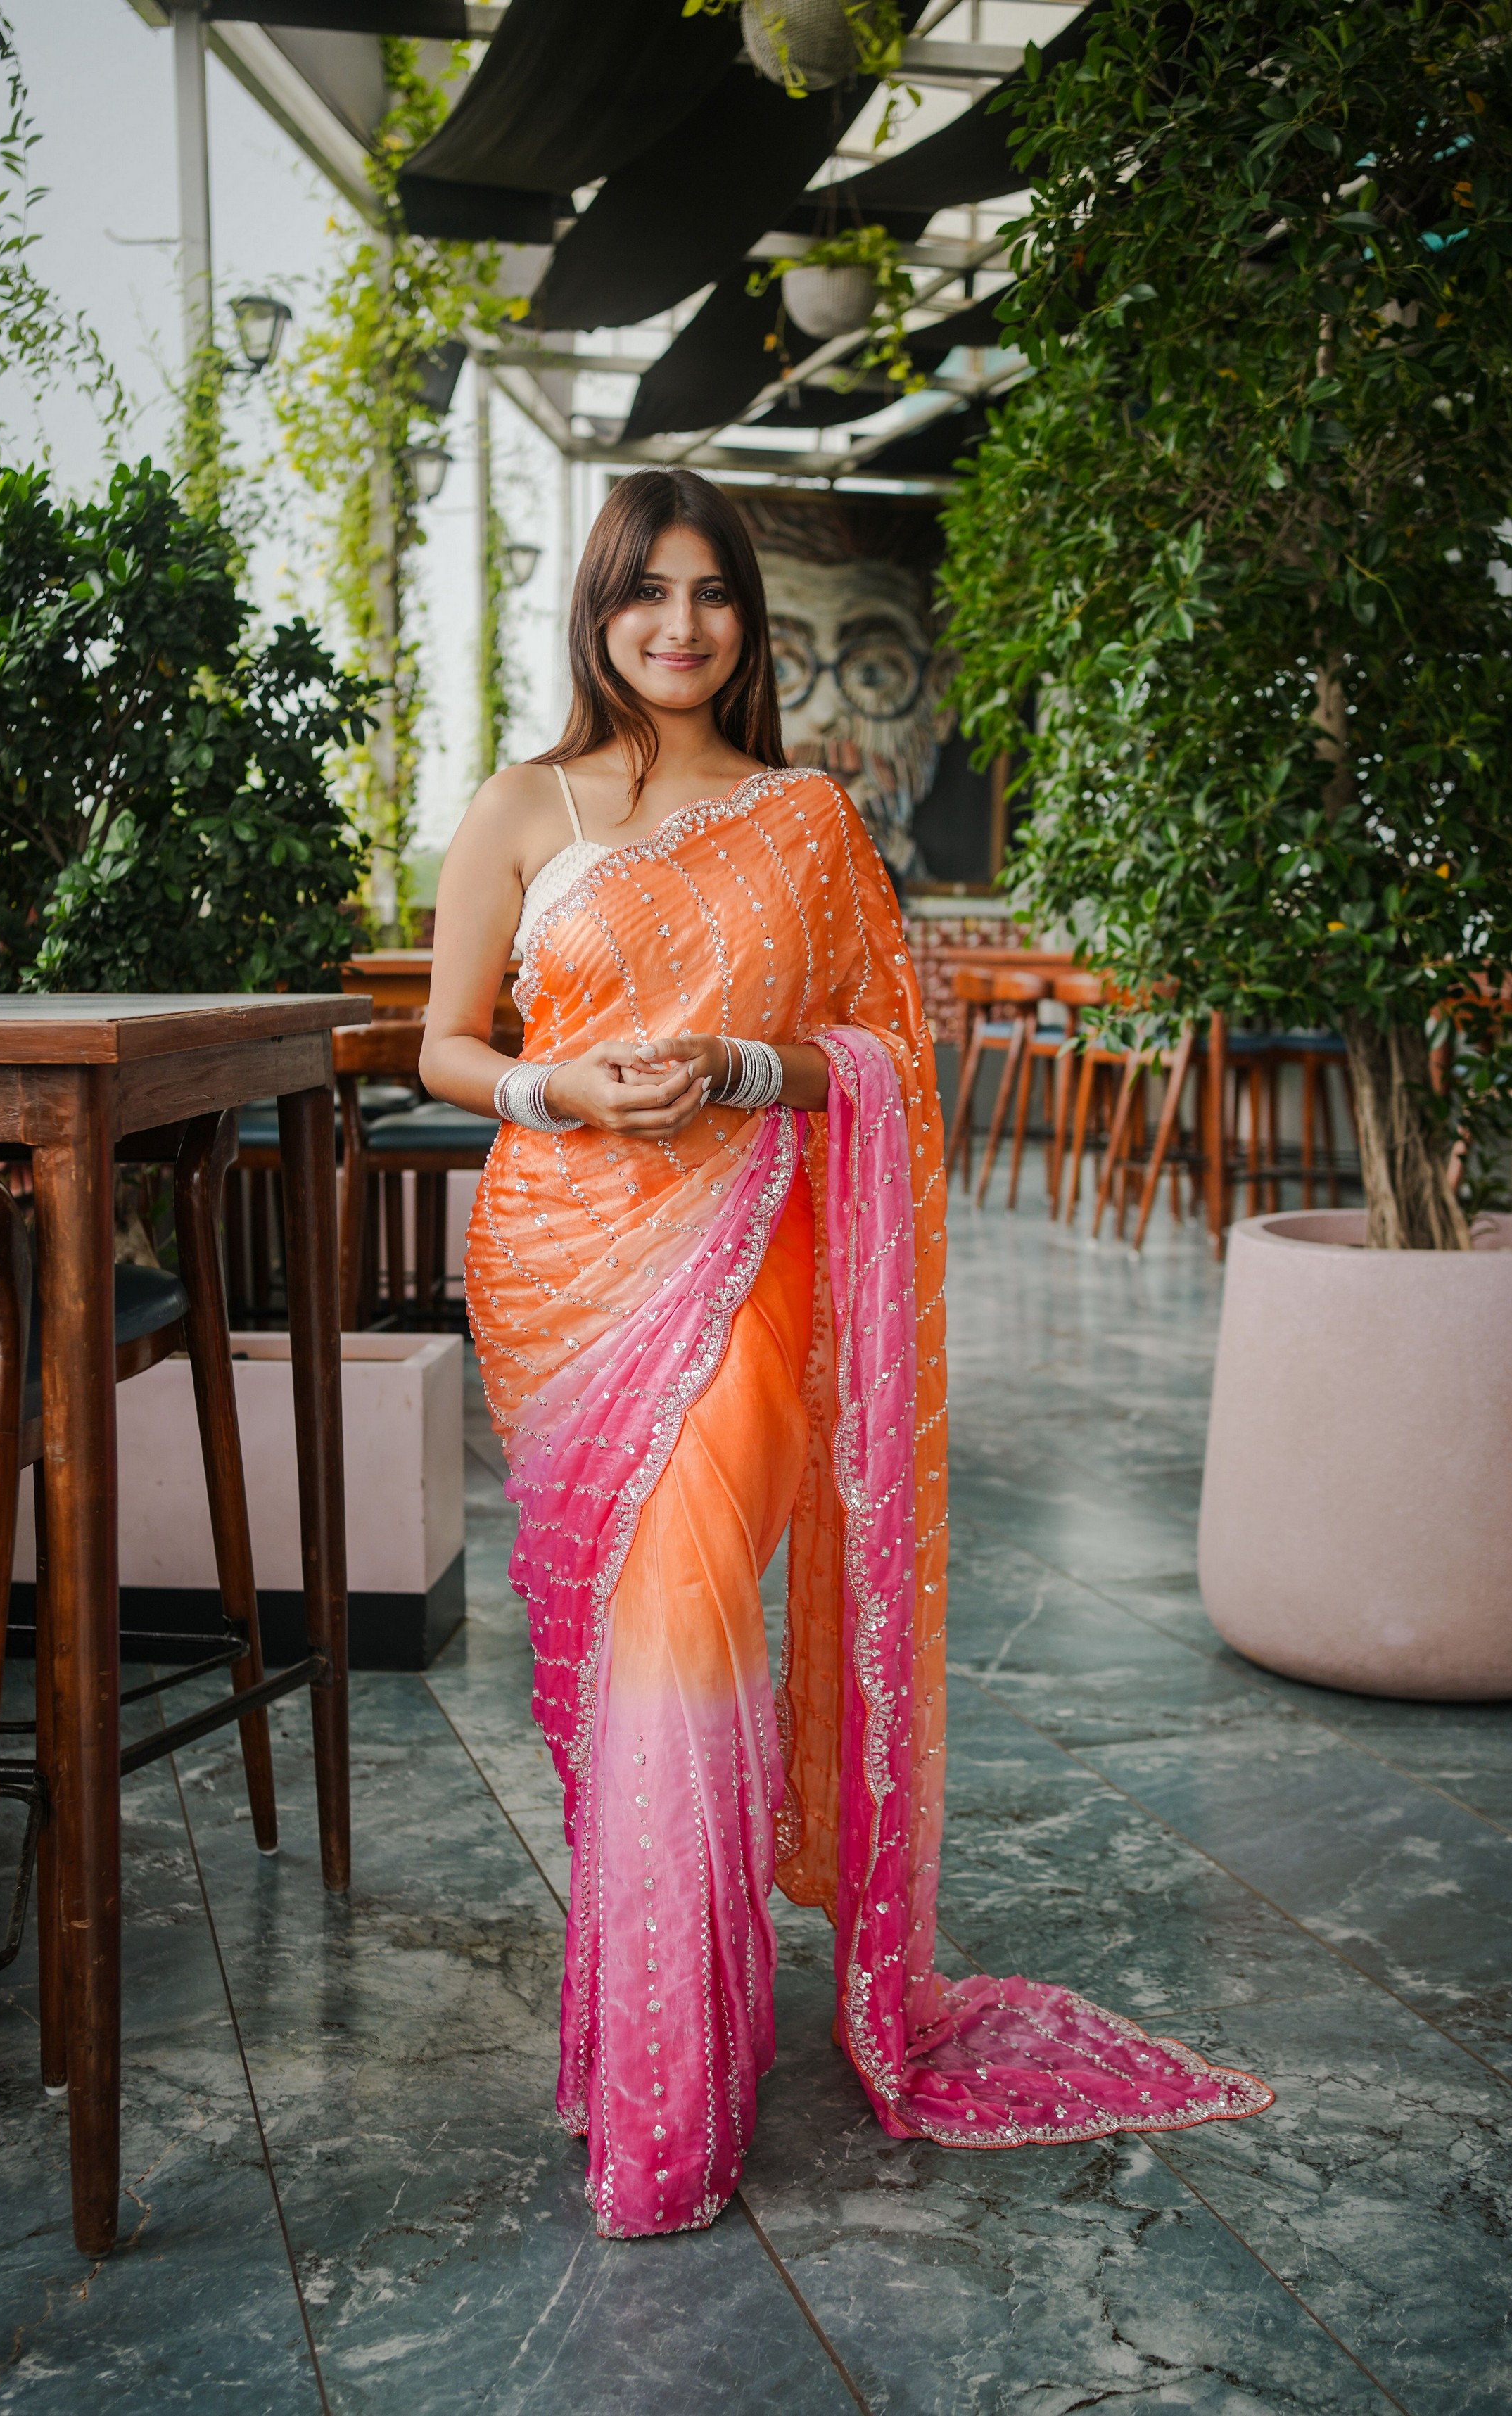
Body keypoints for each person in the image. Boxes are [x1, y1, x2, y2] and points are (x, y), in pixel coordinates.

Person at [419, 469, 1270, 2240]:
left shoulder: (804, 818)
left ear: (747, 618)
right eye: (644, 590)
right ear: (595, 608)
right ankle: (649, 2030)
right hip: (561, 1265)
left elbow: (879, 1051)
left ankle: (672, 2096)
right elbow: (445, 1045)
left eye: (710, 592)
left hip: (743, 1264)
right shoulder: (519, 803)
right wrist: (555, 1088)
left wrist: (744, 1070)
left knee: (687, 1624)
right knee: (616, 1654)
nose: (677, 624)